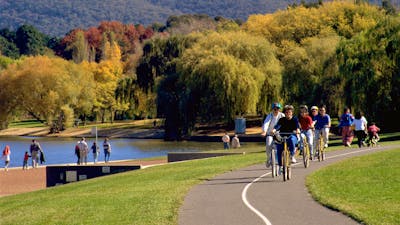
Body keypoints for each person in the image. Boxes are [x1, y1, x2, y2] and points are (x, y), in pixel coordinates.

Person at [261, 102, 285, 168]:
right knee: (268, 143)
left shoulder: (282, 115)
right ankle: (269, 158)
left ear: (279, 109)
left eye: (277, 109)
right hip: (270, 134)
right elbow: (266, 123)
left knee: (282, 144)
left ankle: (283, 158)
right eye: (274, 109)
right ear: (272, 109)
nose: (276, 110)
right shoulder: (270, 116)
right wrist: (264, 131)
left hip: (279, 134)